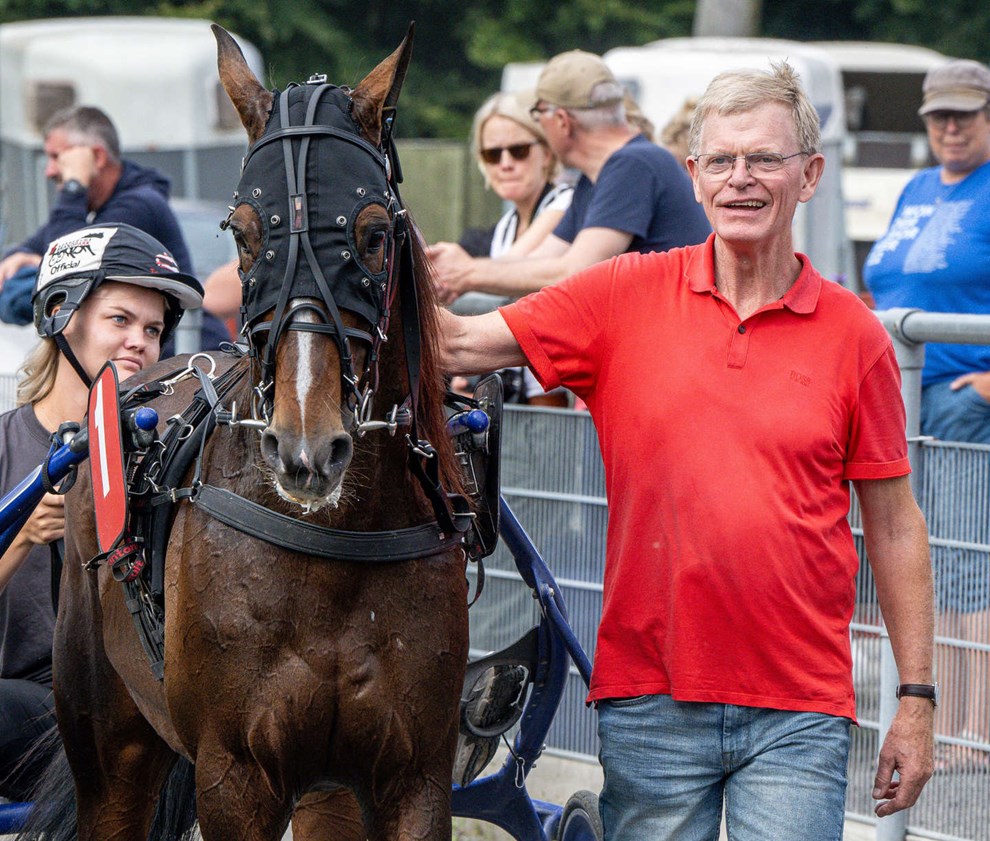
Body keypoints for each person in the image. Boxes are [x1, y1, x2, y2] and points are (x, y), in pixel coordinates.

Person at [440, 63, 935, 838]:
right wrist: (346, 254)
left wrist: (917, 698)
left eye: (764, 158)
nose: (741, 178)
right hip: (652, 697)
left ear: (809, 175)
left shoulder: (855, 335)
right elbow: (461, 344)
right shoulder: (622, 295)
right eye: (722, 160)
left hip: (799, 705)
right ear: (694, 176)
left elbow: (897, 525)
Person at [0, 223, 203, 801]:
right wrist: (23, 536)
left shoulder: (171, 460)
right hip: (32, 705)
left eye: (154, 330)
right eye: (120, 319)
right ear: (61, 315)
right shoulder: (5, 444)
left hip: (144, 707)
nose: (139, 341)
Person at [863, 58, 990, 771]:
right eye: (940, 115)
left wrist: (986, 386)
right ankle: (945, 717)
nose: (951, 128)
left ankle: (977, 725)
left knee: (968, 559)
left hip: (961, 401)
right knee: (925, 555)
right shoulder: (916, 187)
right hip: (903, 397)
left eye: (965, 115)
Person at [426, 50, 710, 303]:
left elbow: (573, 270)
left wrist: (467, 273)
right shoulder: (596, 179)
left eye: (538, 115)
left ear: (562, 121)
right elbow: (536, 261)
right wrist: (451, 268)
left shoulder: (634, 164)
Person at [0, 105, 223, 351]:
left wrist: (74, 186)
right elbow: (24, 258)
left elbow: (68, 270)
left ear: (96, 157)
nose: (49, 171)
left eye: (56, 157)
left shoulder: (139, 206)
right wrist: (27, 258)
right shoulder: (93, 208)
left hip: (188, 359)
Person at [450, 90, 572, 406]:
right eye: (493, 154)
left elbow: (517, 267)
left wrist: (458, 271)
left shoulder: (567, 204)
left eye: (518, 151)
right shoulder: (505, 228)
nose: (505, 164)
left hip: (559, 399)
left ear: (547, 154)